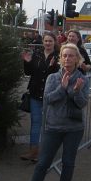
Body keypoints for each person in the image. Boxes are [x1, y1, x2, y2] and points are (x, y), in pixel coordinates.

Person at [18, 43, 89, 181]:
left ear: (77, 59)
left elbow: (82, 103)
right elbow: (48, 99)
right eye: (64, 55)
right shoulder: (52, 78)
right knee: (43, 163)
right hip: (53, 126)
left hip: (74, 128)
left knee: (68, 162)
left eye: (71, 56)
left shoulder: (83, 79)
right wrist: (63, 88)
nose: (67, 59)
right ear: (60, 58)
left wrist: (75, 91)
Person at [20, 32, 60, 161]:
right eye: (46, 41)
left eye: (50, 41)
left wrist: (52, 67)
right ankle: (33, 151)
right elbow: (29, 72)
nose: (47, 43)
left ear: (54, 42)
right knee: (36, 123)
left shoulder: (58, 56)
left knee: (48, 124)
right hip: (35, 93)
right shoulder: (37, 55)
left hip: (51, 94)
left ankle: (46, 151)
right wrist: (26, 62)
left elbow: (56, 76)